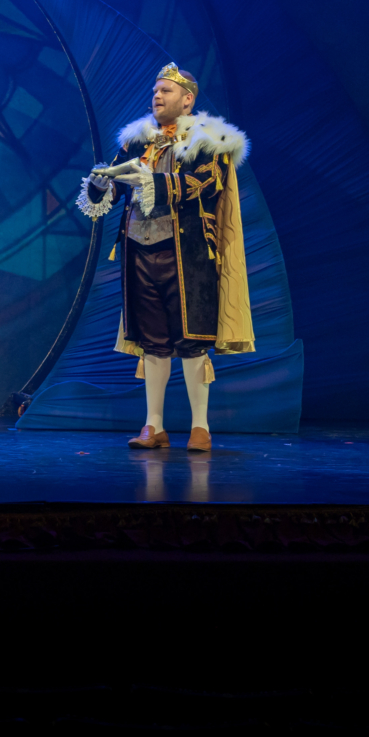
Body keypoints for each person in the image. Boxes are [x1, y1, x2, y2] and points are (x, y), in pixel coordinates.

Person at [76, 63, 255, 453]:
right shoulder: (137, 141)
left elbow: (206, 182)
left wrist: (153, 181)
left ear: (187, 100)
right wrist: (100, 184)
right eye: (155, 91)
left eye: (165, 91)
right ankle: (153, 425)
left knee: (191, 341)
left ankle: (200, 427)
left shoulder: (209, 140)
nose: (157, 96)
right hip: (139, 251)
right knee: (153, 341)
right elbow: (111, 189)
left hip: (187, 255)